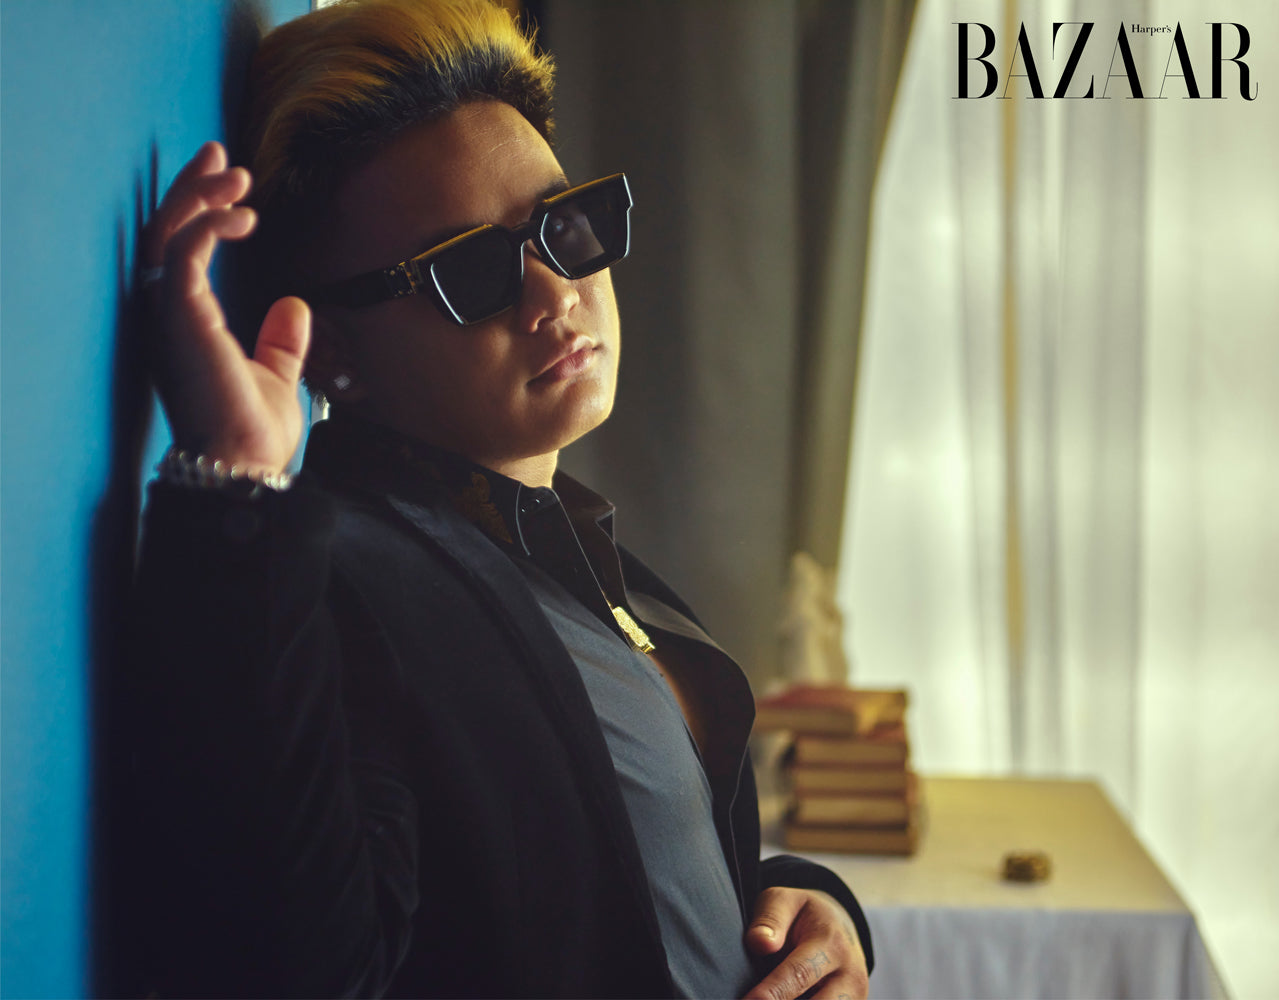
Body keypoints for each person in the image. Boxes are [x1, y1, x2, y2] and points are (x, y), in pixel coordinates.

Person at [130, 0, 872, 996]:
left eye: (563, 227)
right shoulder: (352, 581)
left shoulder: (551, 534)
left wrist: (808, 900)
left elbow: (606, 859)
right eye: (470, 269)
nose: (555, 294)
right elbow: (305, 963)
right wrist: (235, 482)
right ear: (335, 352)